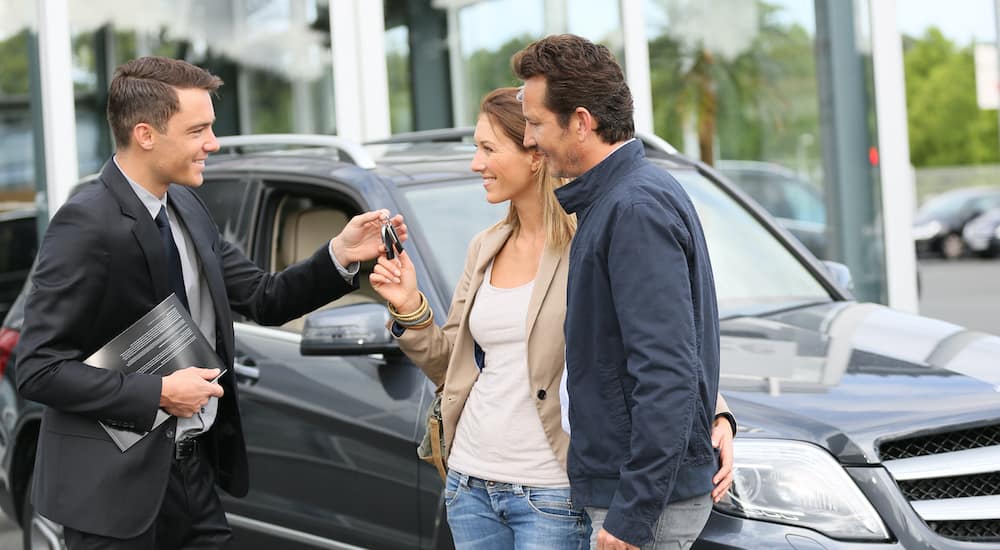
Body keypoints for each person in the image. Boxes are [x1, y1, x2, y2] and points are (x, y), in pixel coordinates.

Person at [14, 56, 405, 550]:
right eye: (198, 130)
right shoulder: (84, 223)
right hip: (113, 496)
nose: (212, 144)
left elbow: (265, 297)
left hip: (193, 476)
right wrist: (157, 392)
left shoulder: (187, 206)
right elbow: (39, 368)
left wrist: (340, 255)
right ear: (145, 134)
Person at [370, 87, 733, 550]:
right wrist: (408, 305)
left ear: (535, 153)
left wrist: (718, 413)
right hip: (470, 485)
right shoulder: (485, 247)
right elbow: (453, 369)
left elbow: (662, 337)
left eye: (487, 149)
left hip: (553, 493)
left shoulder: (595, 235)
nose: (475, 165)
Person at [513, 35, 723, 550]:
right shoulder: (619, 199)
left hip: (643, 505)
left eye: (537, 123)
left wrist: (631, 515)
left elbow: (666, 370)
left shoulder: (632, 210)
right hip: (635, 492)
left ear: (581, 122)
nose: (529, 139)